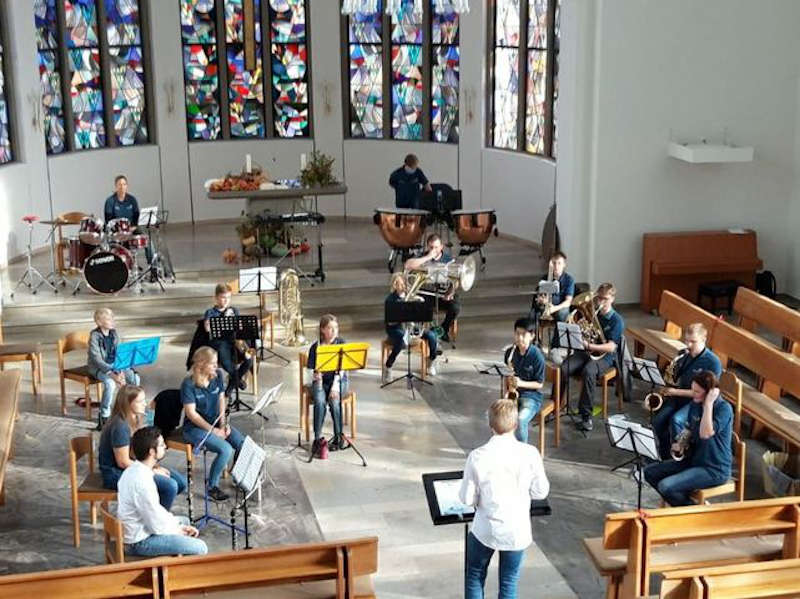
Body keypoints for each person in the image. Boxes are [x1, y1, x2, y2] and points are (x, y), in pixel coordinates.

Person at [459, 399, 550, 599]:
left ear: (490, 426)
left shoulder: (477, 456)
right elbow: (540, 492)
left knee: (474, 576)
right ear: (516, 425)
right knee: (509, 583)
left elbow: (466, 499)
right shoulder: (530, 453)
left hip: (486, 529)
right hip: (516, 531)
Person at [643, 371, 732, 506]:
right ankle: (686, 504)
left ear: (709, 393)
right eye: (692, 390)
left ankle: (692, 512)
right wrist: (681, 443)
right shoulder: (696, 403)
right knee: (649, 472)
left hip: (714, 468)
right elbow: (691, 429)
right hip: (694, 460)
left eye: (697, 391)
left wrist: (708, 405)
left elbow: (705, 433)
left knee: (665, 486)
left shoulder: (724, 409)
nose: (692, 394)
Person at [117, 426, 207, 557]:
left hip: (139, 528)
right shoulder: (142, 481)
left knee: (185, 521)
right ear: (152, 452)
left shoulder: (133, 470)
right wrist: (178, 530)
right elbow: (155, 524)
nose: (165, 447)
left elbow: (156, 512)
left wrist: (178, 526)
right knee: (200, 547)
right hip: (139, 541)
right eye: (161, 445)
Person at [98, 385, 187, 510]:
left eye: (144, 400)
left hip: (132, 467)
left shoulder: (133, 419)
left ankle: (150, 511)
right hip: (115, 474)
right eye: (140, 401)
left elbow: (135, 454)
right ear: (128, 404)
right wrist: (150, 471)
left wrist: (153, 465)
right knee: (170, 486)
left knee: (180, 482)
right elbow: (123, 462)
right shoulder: (120, 426)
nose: (145, 404)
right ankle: (156, 524)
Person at [651, 323, 723, 460]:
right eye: (686, 341)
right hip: (679, 397)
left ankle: (680, 457)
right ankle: (663, 455)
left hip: (698, 401)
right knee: (657, 421)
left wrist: (674, 392)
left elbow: (704, 394)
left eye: (693, 342)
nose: (688, 345)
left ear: (704, 339)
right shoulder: (684, 356)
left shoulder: (713, 362)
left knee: (676, 420)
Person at [181, 346, 244, 502]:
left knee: (241, 443)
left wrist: (223, 424)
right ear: (202, 364)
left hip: (216, 423)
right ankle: (212, 487)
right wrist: (213, 431)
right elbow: (191, 414)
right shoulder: (188, 384)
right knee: (226, 450)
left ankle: (238, 476)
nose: (217, 367)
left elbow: (222, 400)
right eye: (213, 364)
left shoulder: (217, 376)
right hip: (194, 428)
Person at [559, 283, 624, 432]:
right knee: (563, 368)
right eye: (599, 298)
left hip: (605, 356)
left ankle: (586, 417)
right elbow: (584, 332)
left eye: (605, 299)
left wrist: (589, 346)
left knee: (589, 372)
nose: (600, 302)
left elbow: (611, 347)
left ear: (612, 299)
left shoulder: (617, 320)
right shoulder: (593, 313)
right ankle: (556, 404)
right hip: (586, 351)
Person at [88, 308, 140, 430]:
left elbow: (120, 353)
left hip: (115, 365)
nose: (112, 321)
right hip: (99, 368)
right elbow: (97, 359)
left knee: (134, 378)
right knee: (110, 384)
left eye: (112, 318)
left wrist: (120, 369)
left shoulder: (114, 334)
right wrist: (112, 373)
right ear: (99, 322)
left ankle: (131, 408)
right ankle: (104, 416)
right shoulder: (94, 336)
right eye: (109, 319)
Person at [383, 272, 439, 384]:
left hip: (412, 327)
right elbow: (390, 322)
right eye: (400, 284)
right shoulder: (390, 300)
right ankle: (388, 366)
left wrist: (421, 305)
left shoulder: (412, 295)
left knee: (432, 336)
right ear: (394, 285)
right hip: (396, 328)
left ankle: (431, 361)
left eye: (404, 283)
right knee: (402, 341)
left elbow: (421, 315)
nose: (404, 286)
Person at [307, 314, 350, 458]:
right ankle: (318, 438)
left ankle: (338, 437)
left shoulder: (341, 344)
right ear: (322, 330)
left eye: (335, 328)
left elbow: (343, 370)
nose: (333, 331)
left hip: (339, 381)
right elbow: (310, 369)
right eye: (330, 328)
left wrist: (335, 387)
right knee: (319, 402)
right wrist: (315, 375)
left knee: (334, 401)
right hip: (321, 382)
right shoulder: (315, 347)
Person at [404, 233, 461, 342]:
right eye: (431, 247)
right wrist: (427, 257)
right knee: (416, 303)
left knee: (455, 306)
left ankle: (442, 330)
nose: (433, 250)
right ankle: (421, 333)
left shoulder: (449, 260)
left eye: (436, 247)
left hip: (442, 294)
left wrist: (451, 292)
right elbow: (408, 265)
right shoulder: (422, 256)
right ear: (427, 247)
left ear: (441, 247)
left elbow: (456, 280)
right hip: (425, 293)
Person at [203, 283, 252, 397]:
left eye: (228, 298)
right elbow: (207, 329)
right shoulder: (210, 312)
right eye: (223, 297)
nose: (226, 301)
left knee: (249, 359)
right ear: (216, 298)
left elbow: (239, 329)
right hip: (220, 342)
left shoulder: (233, 310)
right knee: (226, 361)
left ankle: (232, 383)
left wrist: (239, 325)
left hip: (234, 341)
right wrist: (207, 325)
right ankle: (237, 381)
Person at [505, 318, 546, 444]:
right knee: (498, 417)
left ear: (532, 336)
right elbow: (508, 371)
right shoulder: (511, 352)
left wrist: (520, 383)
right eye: (517, 334)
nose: (519, 338)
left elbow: (539, 383)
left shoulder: (537, 356)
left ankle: (523, 451)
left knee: (521, 419)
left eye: (523, 335)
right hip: (515, 394)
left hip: (533, 397)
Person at [531, 251, 575, 324]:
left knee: (562, 313)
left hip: (560, 307)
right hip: (547, 306)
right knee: (534, 313)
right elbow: (541, 296)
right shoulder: (545, 278)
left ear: (564, 265)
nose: (556, 266)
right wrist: (542, 300)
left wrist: (554, 308)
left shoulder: (569, 279)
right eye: (554, 263)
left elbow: (568, 302)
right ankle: (533, 334)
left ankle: (557, 335)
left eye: (559, 263)